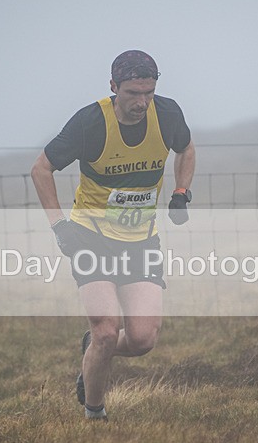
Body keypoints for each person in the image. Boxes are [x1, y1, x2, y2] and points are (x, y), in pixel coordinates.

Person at [30, 49, 195, 420]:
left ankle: (93, 352)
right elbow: (41, 169)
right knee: (107, 330)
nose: (141, 102)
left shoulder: (167, 114)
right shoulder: (90, 123)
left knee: (141, 339)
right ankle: (95, 414)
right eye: (133, 94)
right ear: (113, 87)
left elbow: (186, 148)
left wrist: (181, 192)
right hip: (91, 238)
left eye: (148, 93)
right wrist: (61, 227)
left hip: (140, 241)